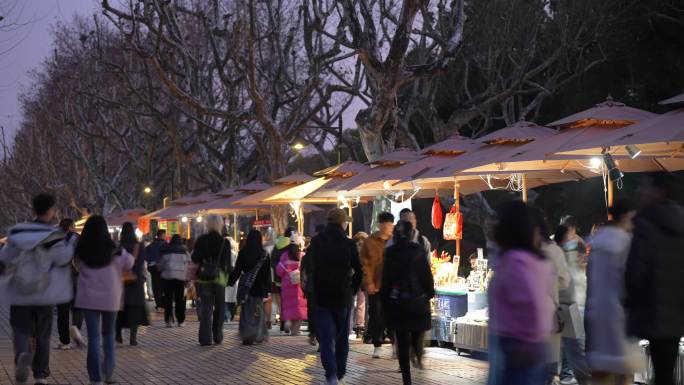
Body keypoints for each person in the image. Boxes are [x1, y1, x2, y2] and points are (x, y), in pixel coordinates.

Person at [0, 193, 76, 385]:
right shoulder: (55, 235)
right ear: (51, 211)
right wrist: (72, 242)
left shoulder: (17, 233)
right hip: (45, 293)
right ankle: (40, 375)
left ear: (32, 210)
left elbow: (6, 258)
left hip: (20, 293)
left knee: (20, 329)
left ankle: (23, 354)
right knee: (43, 334)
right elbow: (62, 259)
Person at [625, 174, 684, 385]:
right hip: (677, 312)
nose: (641, 191)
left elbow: (636, 272)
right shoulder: (680, 220)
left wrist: (629, 303)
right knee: (667, 369)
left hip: (653, 312)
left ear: (660, 191)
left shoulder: (646, 224)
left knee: (661, 371)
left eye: (646, 187)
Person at [489, 200, 552, 385]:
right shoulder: (536, 261)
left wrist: (527, 342)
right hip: (533, 345)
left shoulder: (514, 262)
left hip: (518, 346)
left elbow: (530, 303)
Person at [74, 215, 135, 385]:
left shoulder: (81, 251)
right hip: (110, 298)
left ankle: (95, 378)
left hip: (88, 298)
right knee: (108, 335)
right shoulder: (116, 250)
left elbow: (77, 267)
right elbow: (130, 263)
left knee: (93, 338)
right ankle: (108, 374)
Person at [306, 208, 363, 385]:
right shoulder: (348, 244)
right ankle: (339, 371)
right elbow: (359, 270)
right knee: (341, 336)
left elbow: (309, 267)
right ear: (342, 223)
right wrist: (352, 288)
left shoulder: (316, 242)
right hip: (342, 296)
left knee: (325, 336)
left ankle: (331, 372)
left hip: (321, 296)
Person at [585, 199, 639, 385]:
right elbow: (632, 280)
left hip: (597, 312)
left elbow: (590, 277)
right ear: (625, 216)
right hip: (620, 314)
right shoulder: (627, 243)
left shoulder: (597, 244)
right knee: (623, 372)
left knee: (601, 372)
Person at [381, 220, 435, 385]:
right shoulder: (418, 251)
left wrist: (384, 301)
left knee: (402, 341)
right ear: (412, 234)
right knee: (417, 332)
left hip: (397, 304)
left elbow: (386, 281)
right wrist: (429, 293)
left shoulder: (389, 254)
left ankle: (407, 379)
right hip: (418, 302)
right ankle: (417, 351)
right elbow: (427, 277)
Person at [530, 208, 571, 385]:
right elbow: (565, 280)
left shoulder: (521, 252)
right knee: (549, 367)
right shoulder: (554, 251)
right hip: (548, 314)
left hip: (526, 322)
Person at [192, 215, 232, 346]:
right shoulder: (224, 242)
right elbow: (228, 263)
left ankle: (205, 337)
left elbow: (195, 258)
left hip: (204, 277)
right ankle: (218, 335)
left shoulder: (201, 240)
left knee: (206, 307)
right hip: (220, 277)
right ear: (220, 224)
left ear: (207, 224)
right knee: (220, 307)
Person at [361, 212, 395, 358]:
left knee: (393, 316)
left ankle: (395, 345)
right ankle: (377, 345)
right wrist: (368, 282)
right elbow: (365, 264)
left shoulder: (396, 241)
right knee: (376, 315)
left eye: (390, 224)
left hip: (392, 286)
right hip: (376, 286)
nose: (388, 227)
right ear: (380, 225)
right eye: (385, 224)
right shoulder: (369, 242)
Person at [228, 229, 271, 345]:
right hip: (259, 287)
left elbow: (237, 271)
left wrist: (229, 282)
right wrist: (268, 289)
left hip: (246, 287)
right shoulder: (264, 254)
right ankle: (259, 334)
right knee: (258, 311)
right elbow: (267, 274)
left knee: (246, 311)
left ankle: (247, 335)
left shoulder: (243, 253)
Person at [115, 222, 149, 346]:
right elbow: (141, 263)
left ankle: (118, 336)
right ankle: (133, 339)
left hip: (120, 281)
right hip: (136, 281)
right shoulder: (139, 246)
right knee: (135, 310)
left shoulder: (118, 246)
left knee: (119, 309)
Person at [56, 218, 84, 350]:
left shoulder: (55, 239)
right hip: (76, 278)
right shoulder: (78, 238)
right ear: (72, 226)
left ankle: (64, 341)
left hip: (60, 280)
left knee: (62, 311)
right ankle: (76, 329)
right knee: (78, 307)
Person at [276, 242, 308, 336]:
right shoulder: (302, 255)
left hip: (287, 284)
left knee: (289, 306)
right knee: (299, 308)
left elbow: (279, 270)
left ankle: (288, 322)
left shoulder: (284, 256)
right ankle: (295, 330)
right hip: (299, 285)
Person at [158, 234, 190, 327]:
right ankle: (181, 320)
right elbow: (188, 264)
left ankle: (168, 320)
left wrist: (159, 269)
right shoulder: (184, 251)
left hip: (168, 278)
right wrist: (187, 278)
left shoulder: (167, 250)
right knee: (179, 300)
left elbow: (161, 264)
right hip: (180, 278)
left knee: (168, 300)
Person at [268, 228, 293, 331]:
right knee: (289, 300)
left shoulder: (276, 246)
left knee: (281, 301)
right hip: (289, 277)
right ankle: (286, 322)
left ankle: (283, 323)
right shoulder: (291, 246)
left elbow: (272, 262)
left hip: (277, 277)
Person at [351, 232, 368, 339]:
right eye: (357, 244)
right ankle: (355, 324)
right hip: (354, 279)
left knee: (361, 303)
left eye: (361, 244)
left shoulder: (366, 254)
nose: (359, 246)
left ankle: (359, 324)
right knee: (353, 302)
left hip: (363, 279)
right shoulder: (353, 253)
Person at [145, 229, 167, 310]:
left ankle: (158, 303)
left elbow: (145, 255)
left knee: (155, 284)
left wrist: (151, 261)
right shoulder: (165, 244)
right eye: (164, 234)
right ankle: (162, 303)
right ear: (162, 235)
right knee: (163, 285)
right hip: (162, 268)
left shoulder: (151, 245)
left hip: (152, 267)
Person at [224, 236, 240, 322]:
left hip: (224, 279)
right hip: (233, 280)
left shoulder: (221, 255)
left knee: (225, 299)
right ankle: (230, 315)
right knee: (232, 299)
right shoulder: (235, 254)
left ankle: (227, 316)